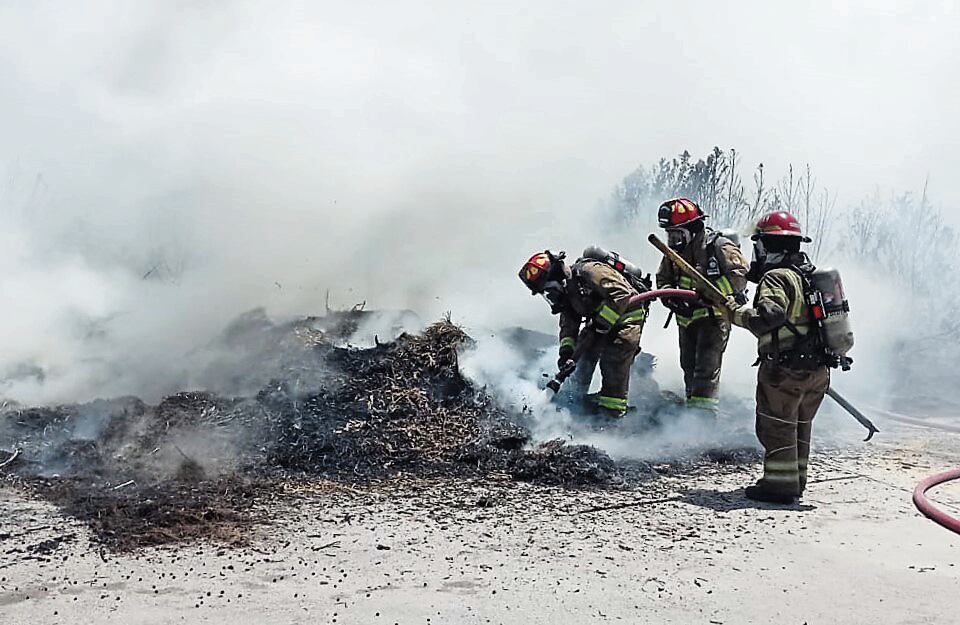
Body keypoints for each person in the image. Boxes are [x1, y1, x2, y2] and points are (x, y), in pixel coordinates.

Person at [728, 210, 830, 504]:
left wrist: (739, 315)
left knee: (776, 426)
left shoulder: (776, 278)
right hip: (817, 371)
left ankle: (779, 487)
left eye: (757, 244)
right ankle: (795, 481)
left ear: (765, 246)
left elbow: (770, 316)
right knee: (800, 426)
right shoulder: (807, 276)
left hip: (785, 370)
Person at [518, 249, 647, 418]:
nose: (550, 296)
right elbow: (568, 324)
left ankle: (612, 413)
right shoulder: (568, 293)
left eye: (549, 290)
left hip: (626, 317)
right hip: (599, 324)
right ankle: (575, 401)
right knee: (583, 356)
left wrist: (603, 320)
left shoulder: (589, 271)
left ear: (557, 278)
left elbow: (622, 293)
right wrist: (566, 351)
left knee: (613, 358)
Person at [655, 197, 748, 410]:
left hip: (713, 317)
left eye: (678, 234)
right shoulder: (673, 254)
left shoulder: (717, 246)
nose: (673, 239)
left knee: (706, 367)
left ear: (693, 229)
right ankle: (692, 408)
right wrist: (671, 300)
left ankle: (703, 418)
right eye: (670, 234)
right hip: (685, 319)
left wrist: (710, 293)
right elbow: (663, 279)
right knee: (687, 365)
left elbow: (739, 276)